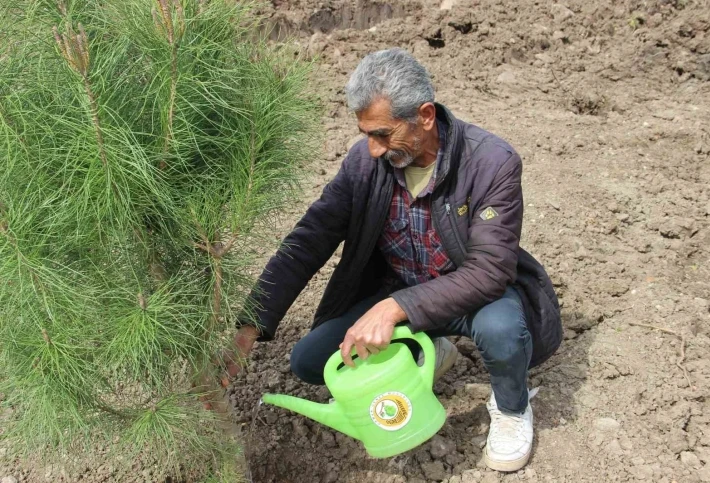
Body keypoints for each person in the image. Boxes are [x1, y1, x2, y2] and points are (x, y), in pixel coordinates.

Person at [219, 48, 562, 472]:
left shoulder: (491, 162)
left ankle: (512, 409)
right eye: (366, 133)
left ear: (425, 115)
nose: (374, 148)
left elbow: (490, 271)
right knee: (311, 363)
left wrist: (395, 308)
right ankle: (430, 352)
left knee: (503, 329)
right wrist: (252, 325)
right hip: (399, 290)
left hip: (469, 296)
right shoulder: (364, 164)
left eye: (383, 134)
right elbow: (309, 239)